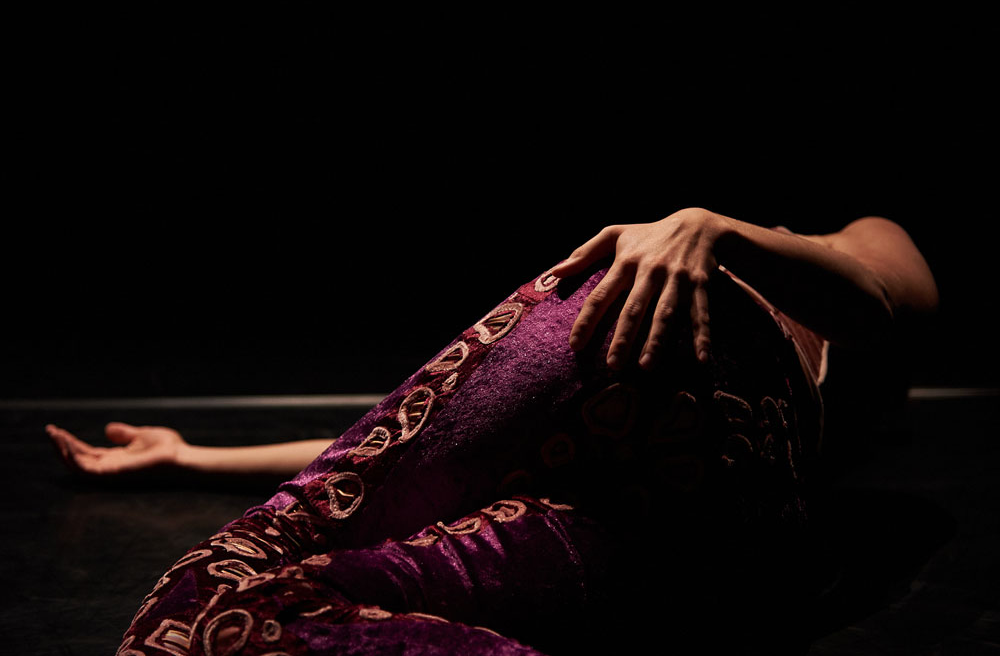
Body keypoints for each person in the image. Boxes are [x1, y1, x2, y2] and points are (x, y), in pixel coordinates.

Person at [48, 208, 937, 655]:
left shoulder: (836, 253)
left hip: (690, 482)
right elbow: (400, 449)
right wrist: (190, 454)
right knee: (232, 615)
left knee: (223, 578)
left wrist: (715, 231)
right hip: (623, 504)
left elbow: (885, 303)